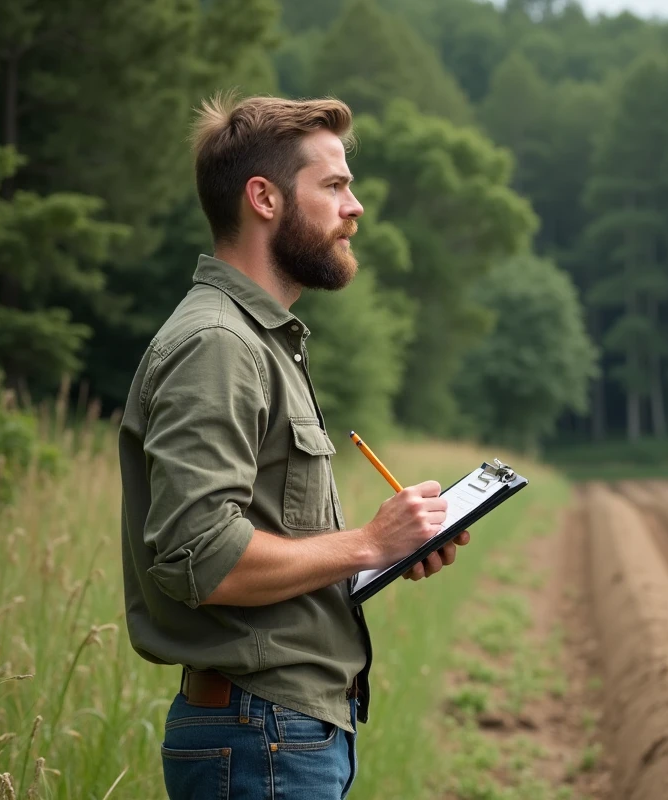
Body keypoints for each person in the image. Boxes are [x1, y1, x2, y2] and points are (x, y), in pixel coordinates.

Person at [117, 93, 469, 800]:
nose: (356, 206)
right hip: (261, 737)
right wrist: (367, 543)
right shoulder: (218, 345)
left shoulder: (255, 340)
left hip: (279, 732)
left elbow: (257, 545)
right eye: (334, 185)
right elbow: (201, 557)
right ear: (264, 199)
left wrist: (386, 550)